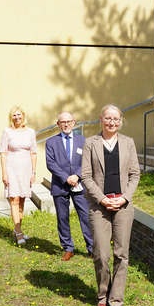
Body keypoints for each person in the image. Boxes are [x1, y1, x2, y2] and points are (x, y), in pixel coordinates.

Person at [81, 105, 140, 306]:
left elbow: (135, 174)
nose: (112, 122)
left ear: (120, 120)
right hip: (100, 206)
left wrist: (124, 198)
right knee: (101, 254)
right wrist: (103, 199)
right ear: (101, 119)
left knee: (121, 254)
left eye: (116, 119)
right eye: (108, 118)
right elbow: (86, 176)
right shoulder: (90, 143)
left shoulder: (128, 143)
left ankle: (116, 299)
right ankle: (102, 294)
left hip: (123, 205)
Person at [46, 111, 94, 260]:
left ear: (74, 122)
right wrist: (67, 178)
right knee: (62, 218)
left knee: (86, 216)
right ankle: (68, 248)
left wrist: (77, 176)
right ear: (58, 124)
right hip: (60, 185)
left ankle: (92, 248)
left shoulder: (83, 141)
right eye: (62, 122)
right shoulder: (51, 142)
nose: (66, 124)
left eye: (69, 121)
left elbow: (87, 161)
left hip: (80, 185)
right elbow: (51, 163)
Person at [1, 105, 37, 245]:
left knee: (22, 199)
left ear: (23, 116)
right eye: (14, 115)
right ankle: (19, 232)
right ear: (11, 118)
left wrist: (33, 172)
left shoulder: (31, 132)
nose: (17, 117)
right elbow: (3, 153)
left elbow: (33, 152)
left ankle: (17, 229)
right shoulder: (7, 132)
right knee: (14, 199)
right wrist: (4, 172)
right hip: (12, 168)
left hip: (26, 169)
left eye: (19, 115)